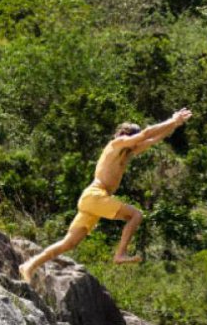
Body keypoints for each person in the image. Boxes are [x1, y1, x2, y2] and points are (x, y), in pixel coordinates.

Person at [19, 108, 192, 283]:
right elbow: (147, 133)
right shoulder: (117, 144)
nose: (137, 142)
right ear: (126, 135)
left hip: (92, 200)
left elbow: (154, 138)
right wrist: (172, 119)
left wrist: (175, 124)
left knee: (68, 243)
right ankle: (120, 254)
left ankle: (29, 265)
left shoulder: (127, 152)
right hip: (95, 195)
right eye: (135, 138)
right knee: (136, 215)